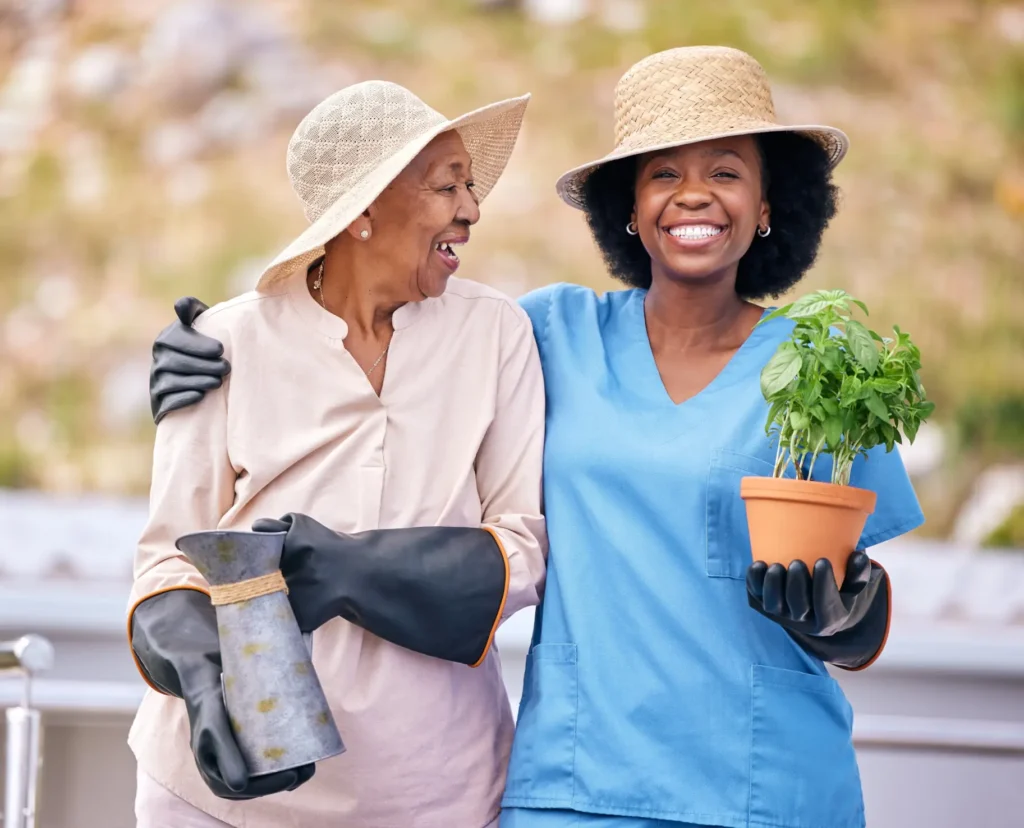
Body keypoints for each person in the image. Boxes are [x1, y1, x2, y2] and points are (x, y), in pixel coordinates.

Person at [151, 48, 923, 828]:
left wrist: (843, 613)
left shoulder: (822, 367)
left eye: (726, 173)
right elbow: (382, 306)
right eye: (663, 174)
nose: (694, 195)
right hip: (577, 785)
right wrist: (210, 348)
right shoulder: (551, 331)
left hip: (770, 782)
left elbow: (865, 617)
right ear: (628, 205)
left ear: (768, 204)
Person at [130, 80, 546, 828]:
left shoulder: (497, 335)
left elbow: (521, 546)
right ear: (361, 212)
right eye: (447, 186)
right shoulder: (225, 343)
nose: (472, 209)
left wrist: (349, 568)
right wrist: (200, 684)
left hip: (436, 795)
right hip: (219, 798)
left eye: (470, 185)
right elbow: (168, 559)